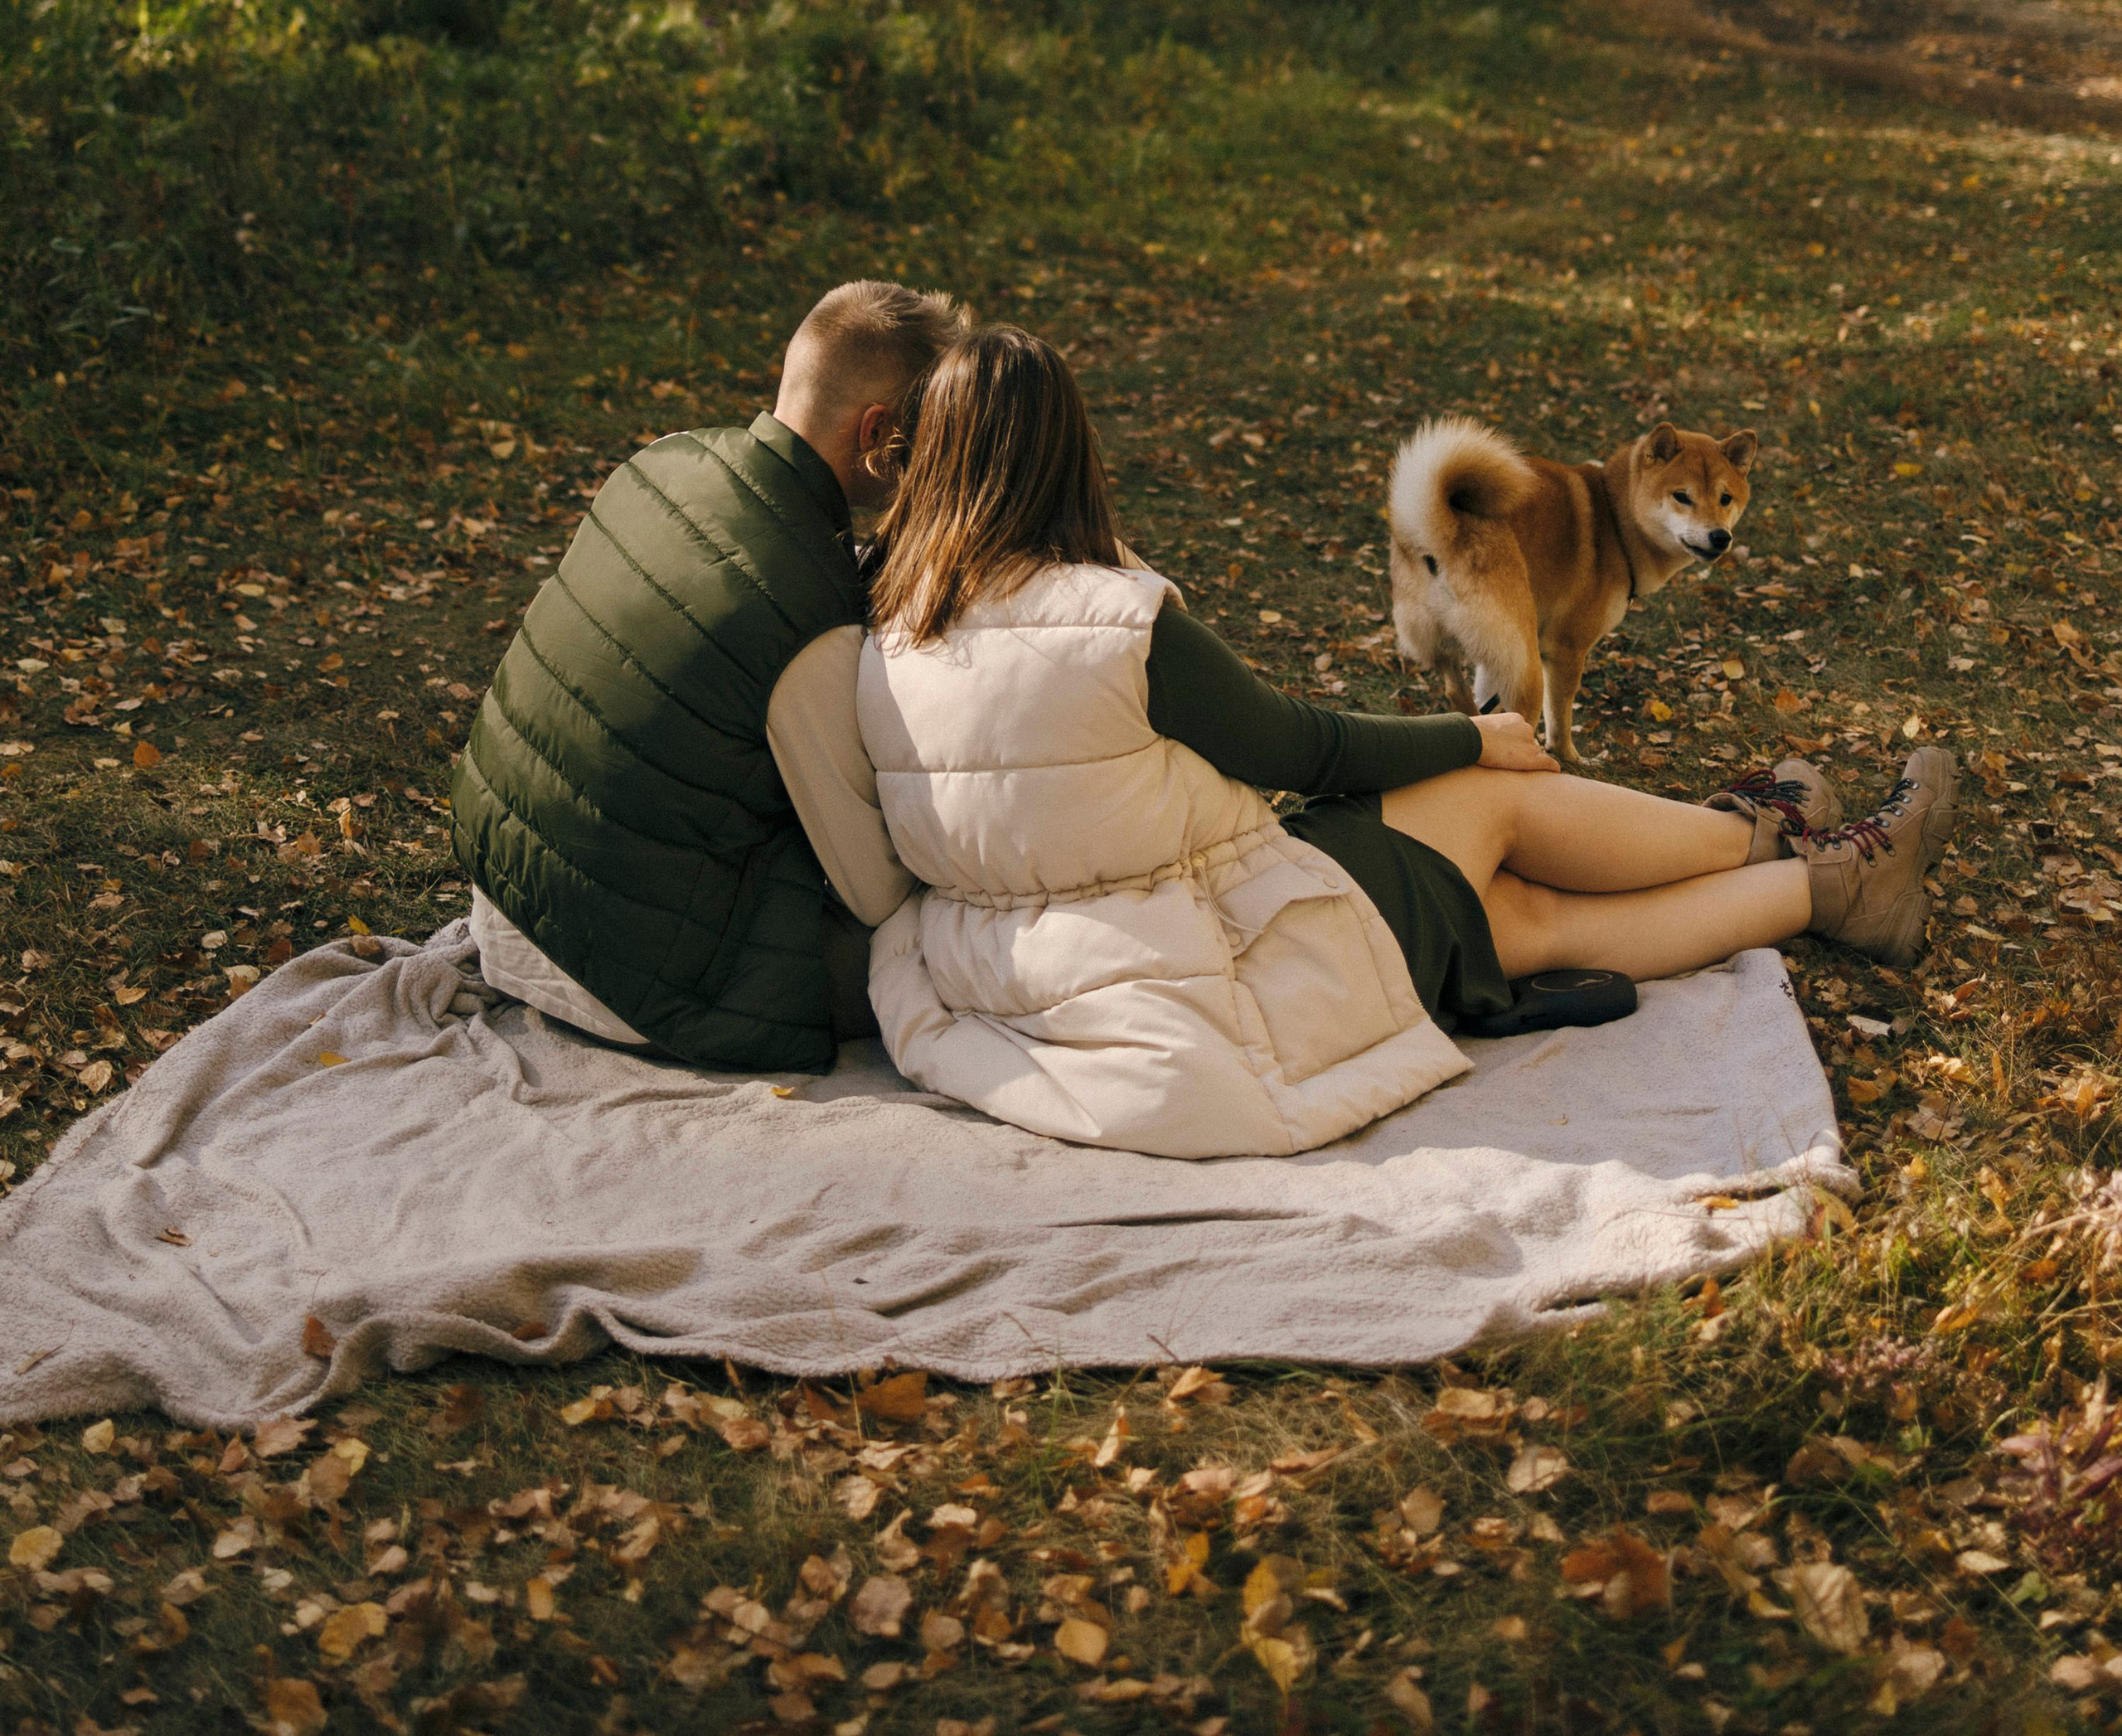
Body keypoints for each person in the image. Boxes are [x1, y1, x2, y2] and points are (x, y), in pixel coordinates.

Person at [848, 327, 1960, 1160]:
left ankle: (1824, 888)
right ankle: (1766, 834)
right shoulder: (1114, 621)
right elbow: (1304, 748)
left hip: (1051, 988)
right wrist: (1476, 742)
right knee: (1500, 799)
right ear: (1069, 459)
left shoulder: (887, 624)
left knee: (1521, 918)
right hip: (1222, 971)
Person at [449, 279, 967, 1069]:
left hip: (504, 897)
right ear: (878, 431)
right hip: (623, 980)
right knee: (947, 948)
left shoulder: (664, 461)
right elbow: (873, 889)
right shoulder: (802, 610)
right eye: (925, 438)